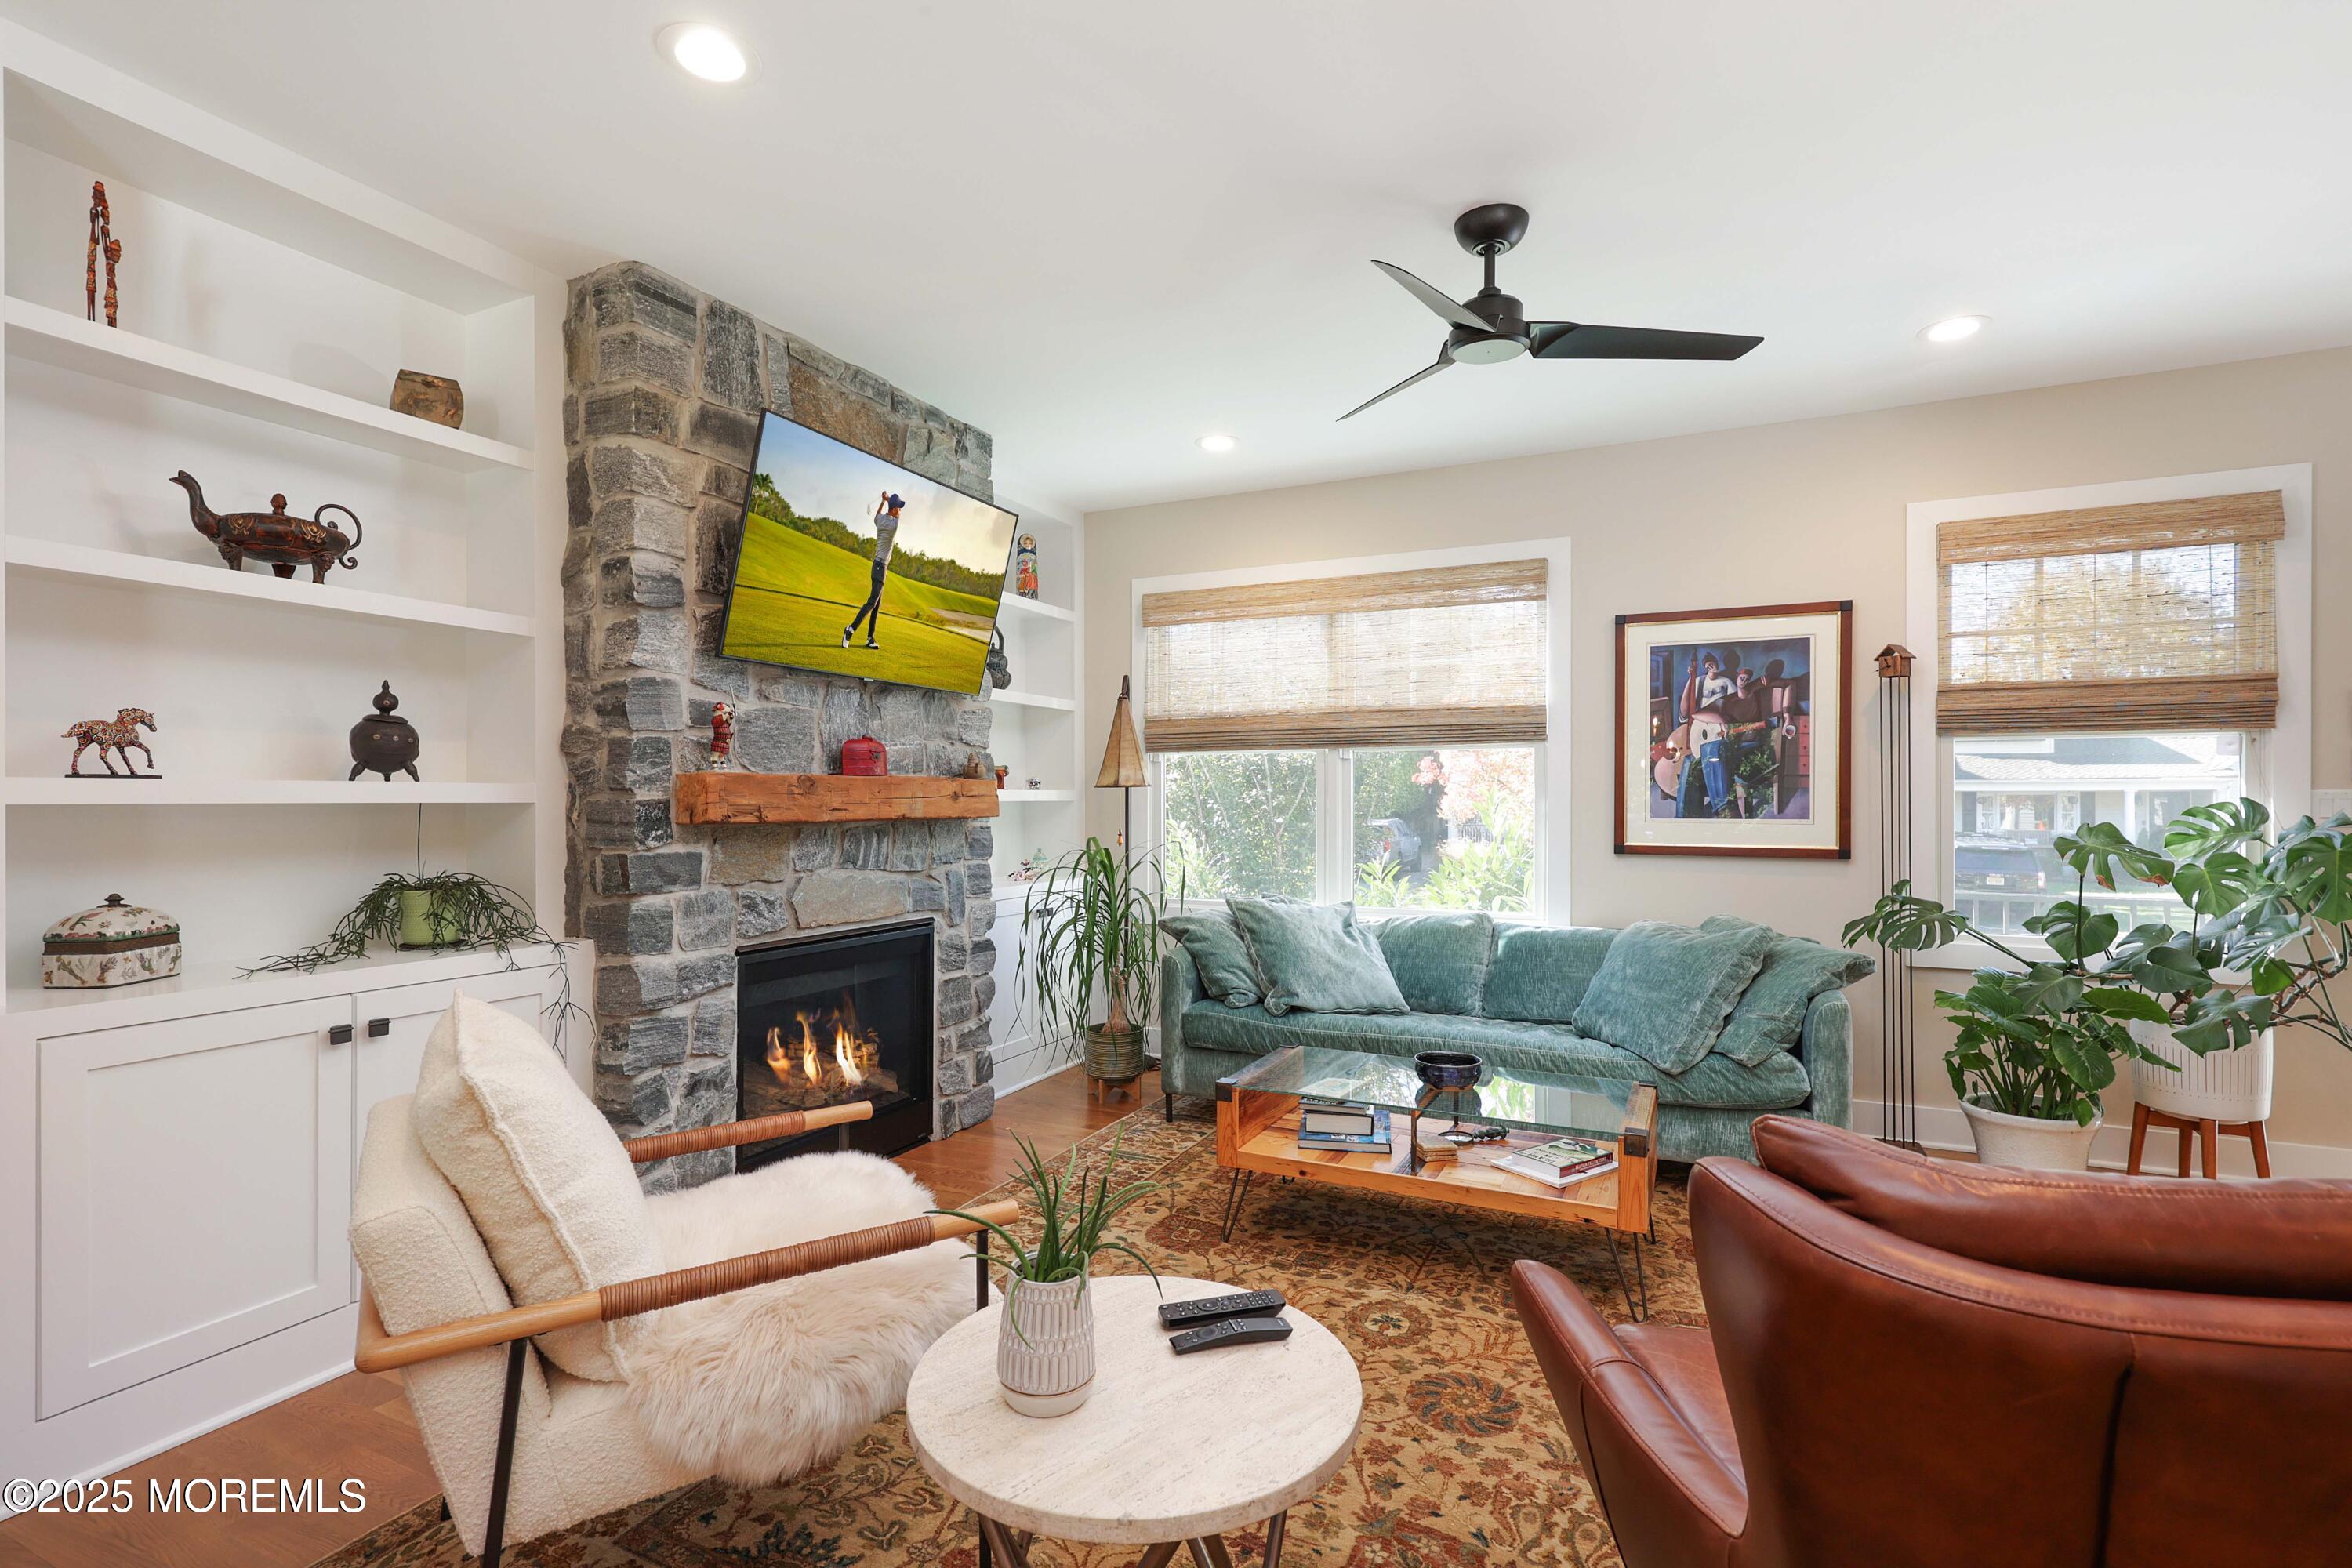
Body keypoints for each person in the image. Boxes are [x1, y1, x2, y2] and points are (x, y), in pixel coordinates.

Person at [842, 491, 905, 650]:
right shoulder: (894, 526)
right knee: (872, 603)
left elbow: (877, 515)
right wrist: (888, 501)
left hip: (876, 566)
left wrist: (884, 501)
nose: (901, 510)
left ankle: (870, 638)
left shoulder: (881, 520)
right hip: (881, 567)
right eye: (899, 507)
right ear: (894, 509)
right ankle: (851, 629)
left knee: (876, 605)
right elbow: (897, 517)